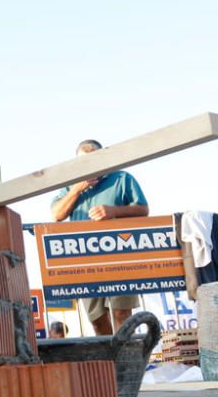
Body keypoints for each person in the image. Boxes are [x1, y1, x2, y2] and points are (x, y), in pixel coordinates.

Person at [51, 139, 149, 335]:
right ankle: (108, 363)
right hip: (85, 261)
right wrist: (77, 189)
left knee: (122, 313)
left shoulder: (122, 178)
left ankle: (126, 362)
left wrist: (113, 211)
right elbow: (57, 215)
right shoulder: (70, 186)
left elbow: (143, 209)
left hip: (120, 257)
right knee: (96, 318)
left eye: (94, 159)